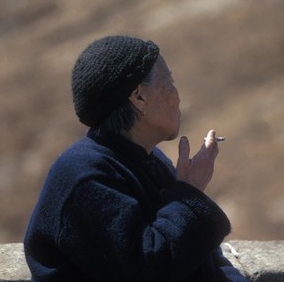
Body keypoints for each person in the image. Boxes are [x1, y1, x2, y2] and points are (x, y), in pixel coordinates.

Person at [23, 35, 247, 281]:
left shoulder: (150, 161)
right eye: (169, 81)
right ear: (138, 97)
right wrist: (190, 193)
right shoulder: (85, 176)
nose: (177, 95)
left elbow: (202, 257)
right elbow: (147, 269)